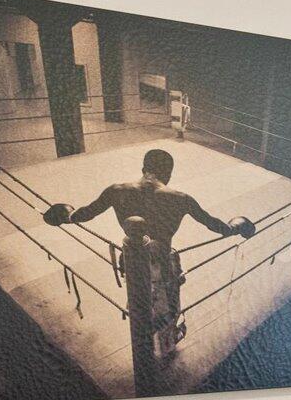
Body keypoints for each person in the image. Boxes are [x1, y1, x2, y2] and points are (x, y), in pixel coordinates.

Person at [44, 148, 254, 369]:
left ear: (144, 168)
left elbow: (80, 215)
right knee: (168, 307)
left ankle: (144, 351)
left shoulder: (116, 191)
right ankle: (163, 354)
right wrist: (238, 226)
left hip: (132, 261)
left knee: (140, 302)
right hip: (163, 264)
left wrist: (63, 214)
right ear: (169, 173)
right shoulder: (181, 199)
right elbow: (218, 227)